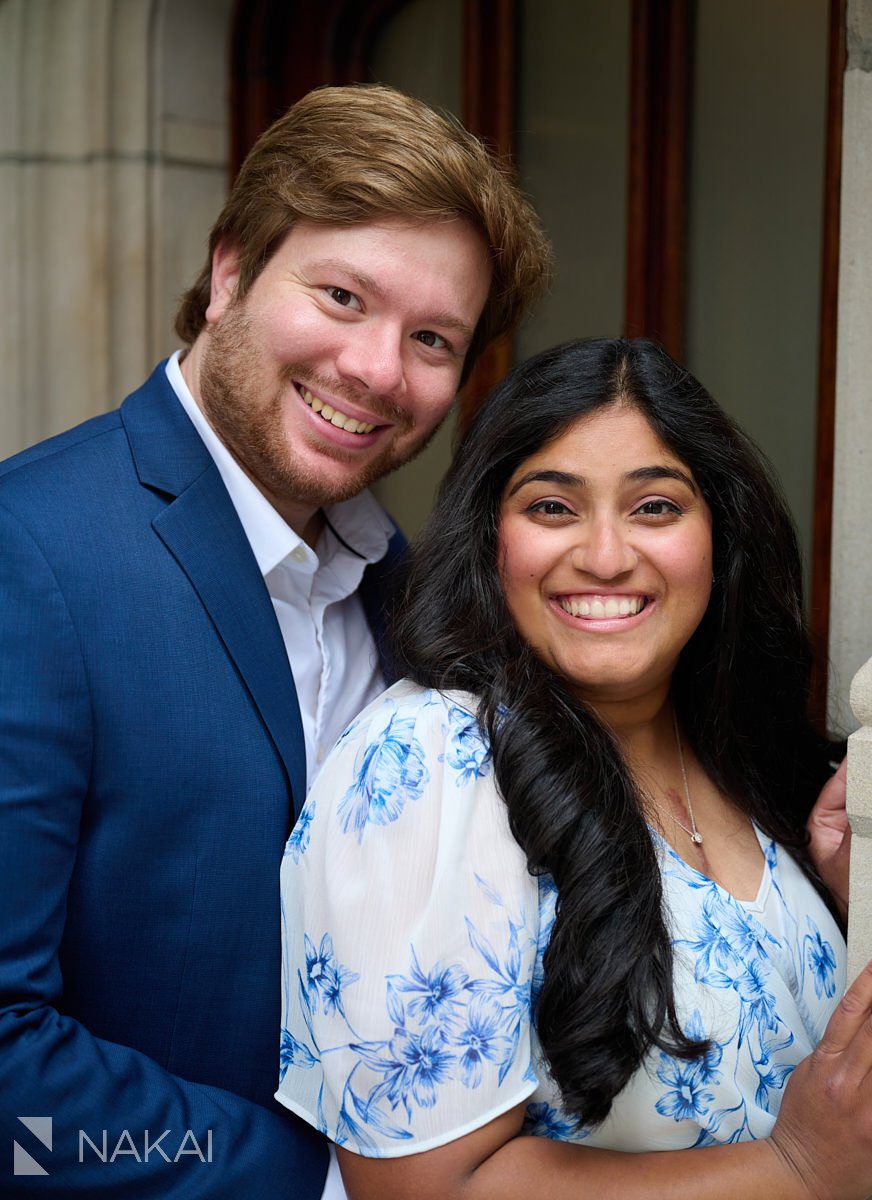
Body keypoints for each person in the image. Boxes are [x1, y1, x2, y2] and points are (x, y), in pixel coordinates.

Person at [0, 84, 550, 1197]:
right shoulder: (31, 553)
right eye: (342, 295)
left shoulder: (419, 601)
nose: (377, 370)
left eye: (431, 339)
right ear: (230, 274)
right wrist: (320, 1183)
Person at [277, 337, 870, 1200]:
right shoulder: (430, 763)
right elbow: (427, 1188)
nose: (603, 554)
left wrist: (852, 903)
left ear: (719, 535)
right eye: (552, 507)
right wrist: (798, 1172)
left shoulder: (747, 760)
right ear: (490, 540)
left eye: (655, 508)